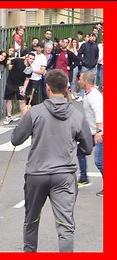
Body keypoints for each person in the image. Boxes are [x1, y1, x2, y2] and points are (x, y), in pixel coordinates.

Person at [11, 69, 93, 252]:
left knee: (31, 221)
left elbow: (16, 139)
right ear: (66, 89)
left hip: (37, 173)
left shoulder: (36, 112)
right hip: (64, 175)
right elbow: (87, 148)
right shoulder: (77, 116)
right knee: (65, 225)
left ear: (47, 87)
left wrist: (24, 115)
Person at [76, 71, 104, 196]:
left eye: (80, 79)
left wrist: (99, 131)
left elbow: (100, 113)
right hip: (92, 132)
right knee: (81, 150)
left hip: (100, 132)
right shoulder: (88, 94)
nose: (78, 81)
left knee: (99, 161)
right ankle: (83, 177)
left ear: (86, 81)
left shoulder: (94, 96)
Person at [3, 53, 35, 125]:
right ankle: (9, 116)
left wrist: (24, 87)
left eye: (33, 59)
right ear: (27, 58)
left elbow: (27, 79)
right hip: (11, 82)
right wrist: (10, 67)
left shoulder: (30, 69)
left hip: (20, 85)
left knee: (21, 100)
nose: (31, 60)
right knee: (9, 100)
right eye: (30, 58)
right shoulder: (18, 61)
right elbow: (9, 62)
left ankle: (23, 117)